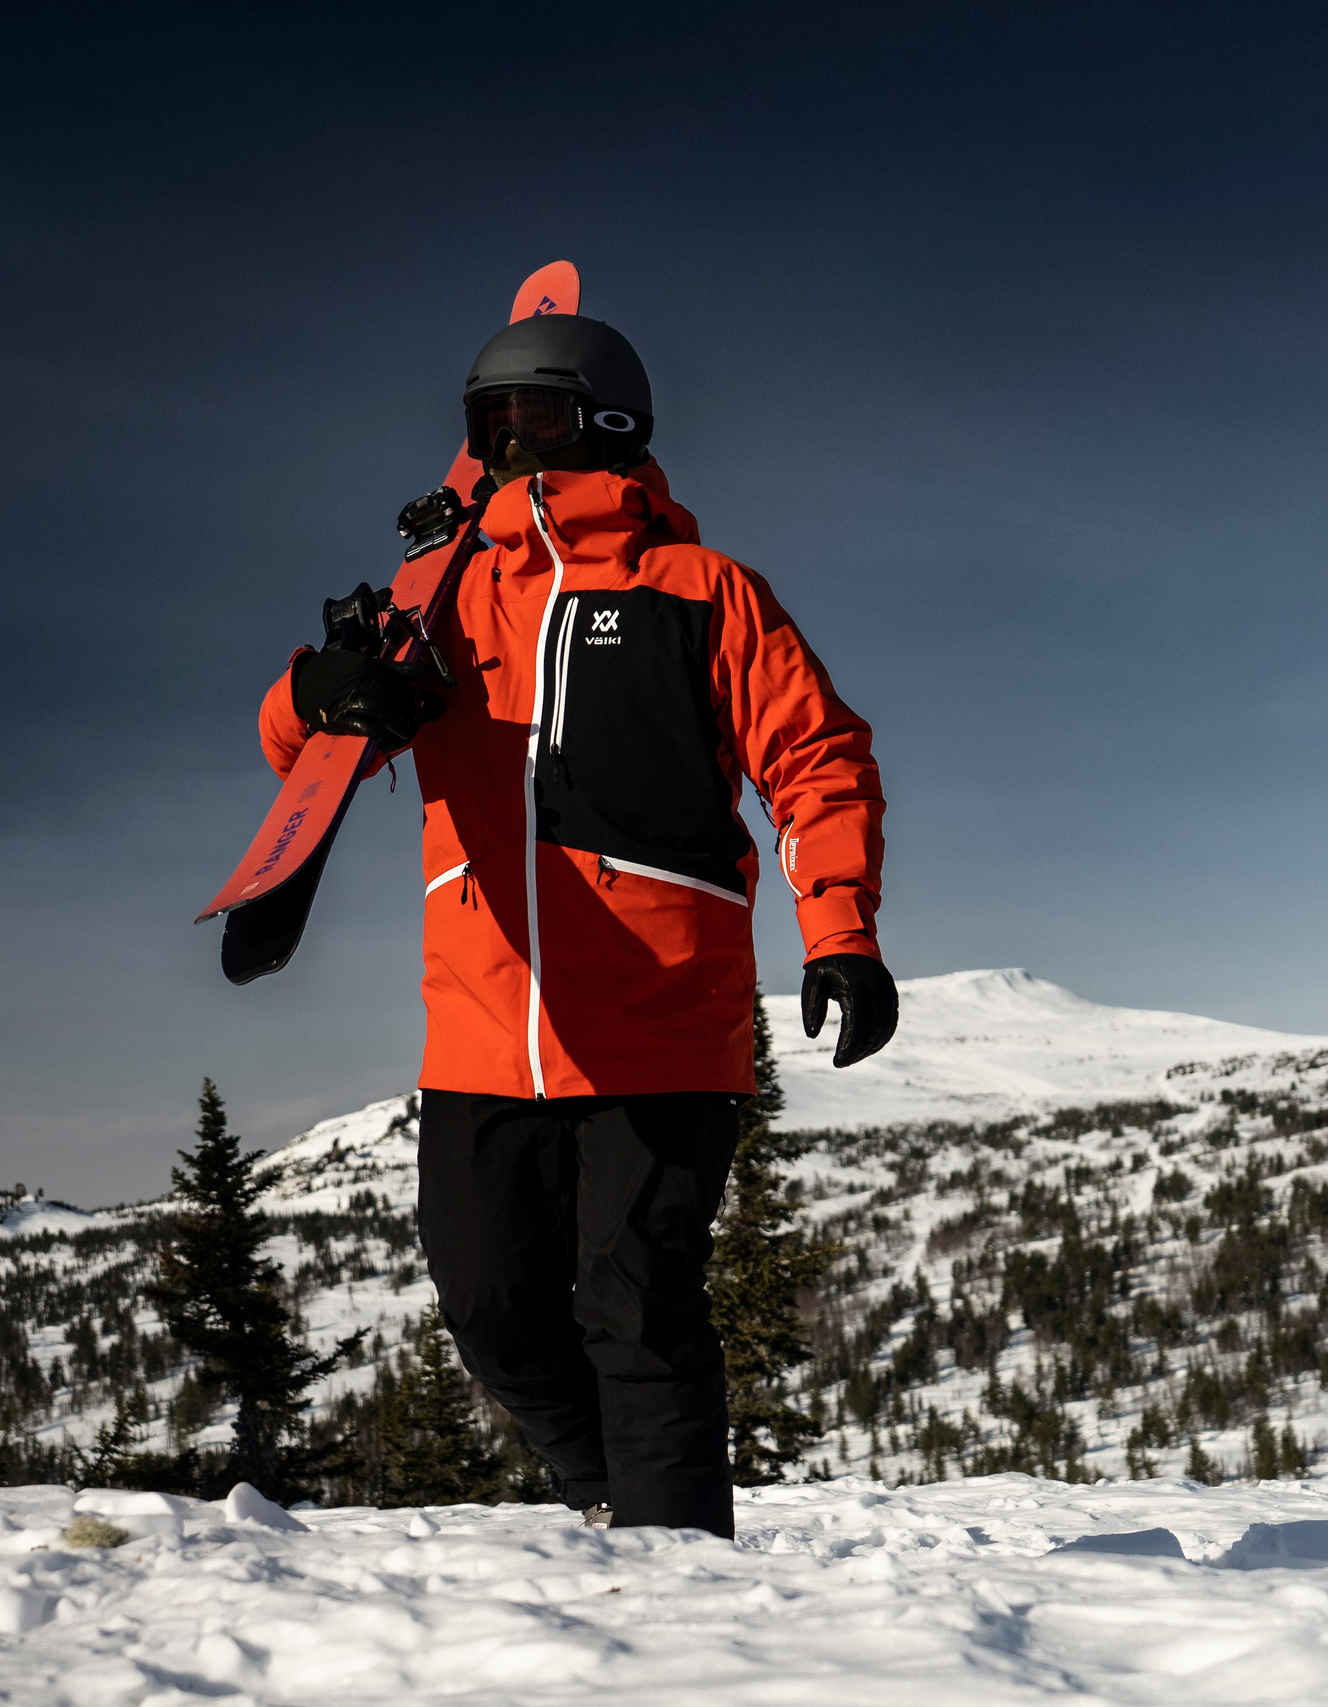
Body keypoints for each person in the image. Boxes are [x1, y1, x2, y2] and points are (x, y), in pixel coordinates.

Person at [255, 311, 893, 1538]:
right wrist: (314, 693)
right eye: (488, 426)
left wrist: (841, 934)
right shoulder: (444, 597)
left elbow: (817, 763)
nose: (509, 448)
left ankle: (675, 1578)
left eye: (533, 422)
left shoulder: (705, 594)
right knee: (487, 1301)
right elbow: (305, 757)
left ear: (607, 424)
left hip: (661, 1020)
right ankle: (607, 1491)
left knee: (635, 1303)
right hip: (484, 1022)